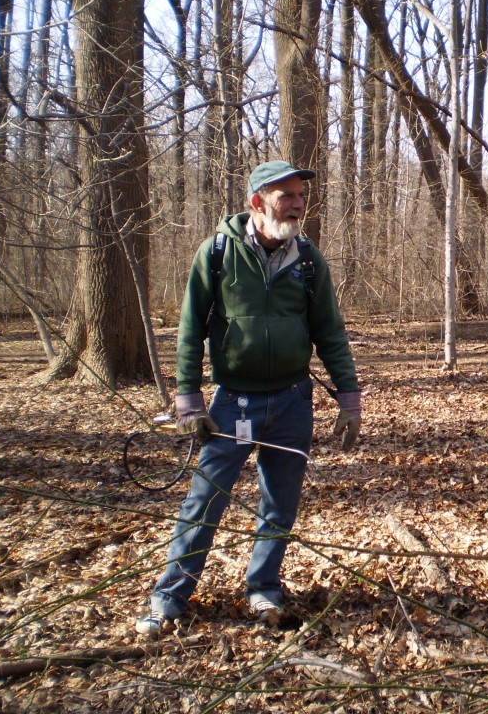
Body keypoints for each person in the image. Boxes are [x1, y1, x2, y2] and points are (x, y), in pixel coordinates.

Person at [135, 160, 361, 637]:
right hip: (233, 402)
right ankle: (170, 596)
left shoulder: (307, 260)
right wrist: (188, 397)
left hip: (293, 402)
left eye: (301, 196)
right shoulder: (217, 253)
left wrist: (349, 396)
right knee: (205, 500)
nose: (298, 204)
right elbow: (192, 327)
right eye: (287, 197)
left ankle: (263, 588)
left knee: (279, 504)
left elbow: (330, 332)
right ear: (258, 204)